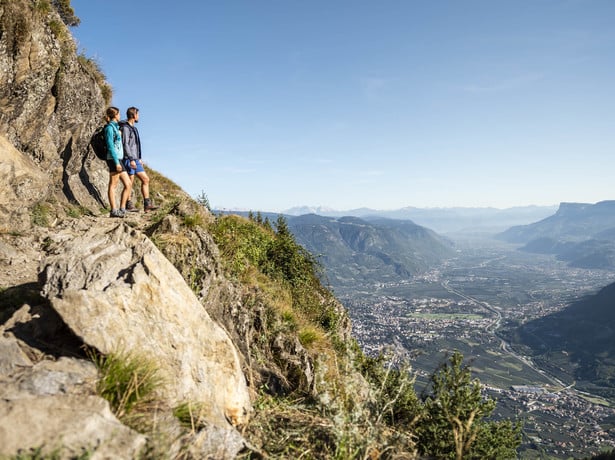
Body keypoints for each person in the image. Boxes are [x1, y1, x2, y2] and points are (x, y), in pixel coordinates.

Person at [120, 107, 158, 212]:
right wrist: (131, 159)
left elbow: (136, 145)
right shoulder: (125, 128)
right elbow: (125, 144)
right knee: (130, 182)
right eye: (138, 114)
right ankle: (128, 205)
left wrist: (139, 158)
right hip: (128, 158)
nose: (138, 116)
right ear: (134, 115)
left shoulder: (134, 128)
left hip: (136, 158)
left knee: (145, 179)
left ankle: (147, 204)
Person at [104, 106, 132, 218]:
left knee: (128, 184)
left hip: (119, 159)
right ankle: (114, 210)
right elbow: (110, 145)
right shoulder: (109, 128)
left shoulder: (116, 127)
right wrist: (116, 162)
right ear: (115, 115)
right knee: (113, 185)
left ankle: (122, 208)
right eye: (119, 114)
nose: (120, 116)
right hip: (113, 159)